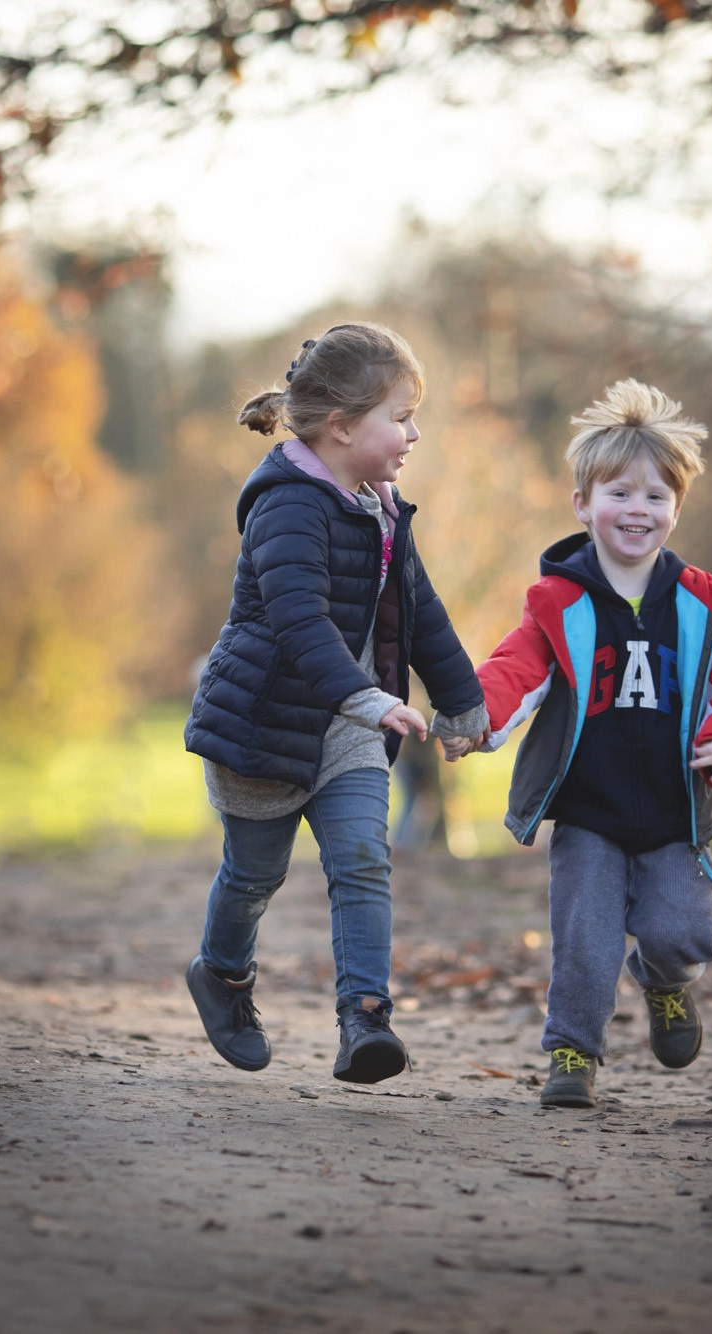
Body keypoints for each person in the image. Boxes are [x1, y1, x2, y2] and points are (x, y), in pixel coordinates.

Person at [438, 380, 712, 1108]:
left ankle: (667, 984)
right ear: (583, 504)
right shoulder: (559, 601)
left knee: (679, 932)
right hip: (589, 810)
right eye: (620, 494)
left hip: (674, 813)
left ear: (676, 508)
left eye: (656, 497)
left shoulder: (705, 608)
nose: (638, 511)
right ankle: (572, 1055)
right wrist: (473, 721)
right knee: (584, 940)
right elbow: (513, 672)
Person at [183, 323, 488, 1084]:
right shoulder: (287, 506)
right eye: (402, 415)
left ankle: (365, 1020)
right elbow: (297, 620)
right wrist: (365, 695)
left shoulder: (381, 507)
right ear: (343, 426)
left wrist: (462, 704)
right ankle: (222, 974)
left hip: (350, 730)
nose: (415, 432)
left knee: (362, 860)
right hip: (265, 724)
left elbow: (420, 609)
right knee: (254, 876)